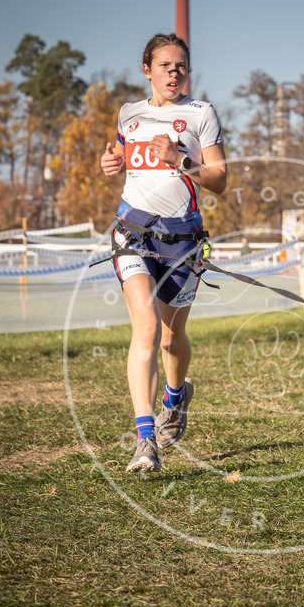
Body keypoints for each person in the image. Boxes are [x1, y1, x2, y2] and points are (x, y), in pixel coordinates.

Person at [100, 32, 227, 473]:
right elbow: (122, 158)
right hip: (133, 232)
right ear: (147, 70)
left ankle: (175, 398)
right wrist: (111, 162)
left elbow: (219, 179)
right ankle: (145, 440)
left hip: (182, 240)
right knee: (148, 328)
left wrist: (180, 160)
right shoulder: (129, 113)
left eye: (181, 66)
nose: (175, 73)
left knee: (172, 337)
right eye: (165, 66)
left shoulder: (201, 113)